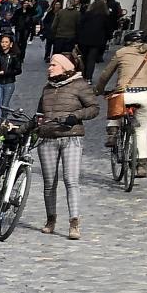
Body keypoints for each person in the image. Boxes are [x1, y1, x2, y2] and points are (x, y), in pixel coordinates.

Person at [33, 53, 99, 239]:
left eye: (54, 65)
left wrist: (76, 116)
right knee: (49, 183)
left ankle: (74, 222)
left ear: (65, 67)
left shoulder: (80, 85)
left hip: (71, 138)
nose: (49, 67)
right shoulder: (47, 88)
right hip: (47, 138)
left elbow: (94, 108)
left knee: (71, 181)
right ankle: (51, 219)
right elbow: (39, 114)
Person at [94, 29, 147, 176]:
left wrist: (99, 89)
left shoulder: (122, 52)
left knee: (116, 106)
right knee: (142, 128)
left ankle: (112, 132)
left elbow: (106, 74)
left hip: (125, 93)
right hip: (145, 94)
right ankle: (141, 165)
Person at [0, 31, 24, 133]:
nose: (4, 44)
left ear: (11, 44)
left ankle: (3, 126)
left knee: (4, 106)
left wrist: (6, 72)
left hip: (9, 83)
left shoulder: (14, 55)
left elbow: (18, 70)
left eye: (6, 42)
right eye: (2, 42)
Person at [76, 0, 111, 81]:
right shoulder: (104, 16)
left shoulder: (87, 14)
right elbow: (108, 29)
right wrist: (108, 37)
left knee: (84, 58)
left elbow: (80, 25)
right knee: (92, 59)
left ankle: (83, 75)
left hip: (84, 39)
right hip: (97, 41)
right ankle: (89, 78)